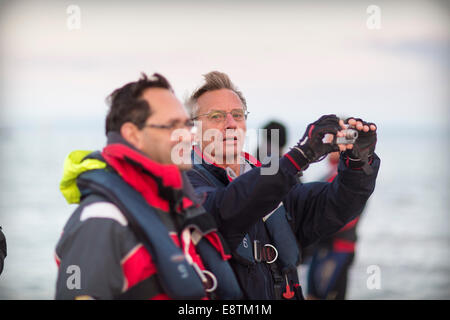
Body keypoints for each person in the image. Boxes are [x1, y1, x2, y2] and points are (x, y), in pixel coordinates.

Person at [185, 71, 380, 300]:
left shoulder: (270, 177)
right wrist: (302, 154)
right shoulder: (186, 180)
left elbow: (336, 206)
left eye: (237, 115)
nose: (230, 124)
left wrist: (359, 163)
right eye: (216, 116)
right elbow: (223, 211)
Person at [55, 73, 242, 300]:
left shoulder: (172, 206)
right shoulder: (101, 219)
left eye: (186, 124)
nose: (186, 136)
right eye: (171, 125)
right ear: (133, 135)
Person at [304, 148, 362, 300]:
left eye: (334, 144)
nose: (329, 149)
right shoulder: (334, 175)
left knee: (322, 296)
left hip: (336, 248)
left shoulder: (343, 178)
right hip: (327, 246)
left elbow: (348, 217)